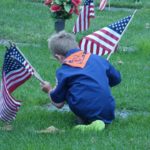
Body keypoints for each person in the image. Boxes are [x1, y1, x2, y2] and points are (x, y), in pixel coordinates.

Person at [41, 31, 121, 130]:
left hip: (85, 111)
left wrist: (48, 89)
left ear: (59, 57)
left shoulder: (63, 71)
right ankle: (99, 120)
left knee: (68, 89)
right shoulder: (98, 59)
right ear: (78, 47)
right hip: (109, 111)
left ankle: (84, 122)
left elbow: (58, 103)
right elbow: (117, 79)